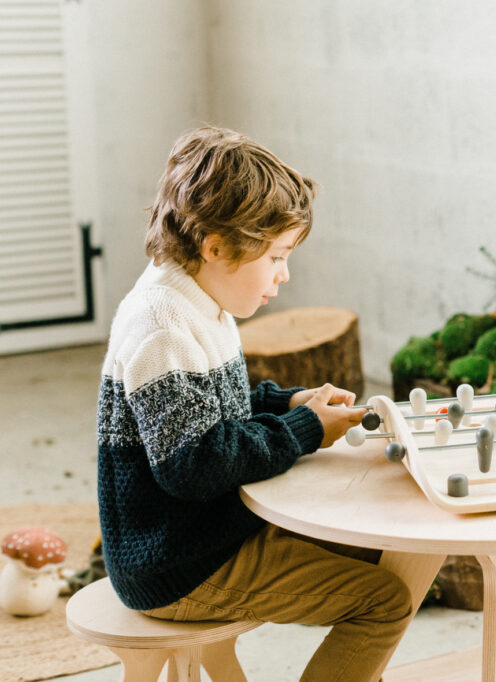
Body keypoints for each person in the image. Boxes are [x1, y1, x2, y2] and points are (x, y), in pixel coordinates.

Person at [96, 126, 412, 681]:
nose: (283, 276)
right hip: (178, 563)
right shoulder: (163, 327)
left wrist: (294, 402)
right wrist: (302, 429)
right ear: (215, 247)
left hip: (201, 539)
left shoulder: (198, 300)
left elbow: (225, 408)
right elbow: (194, 465)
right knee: (382, 602)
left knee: (375, 549)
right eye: (275, 258)